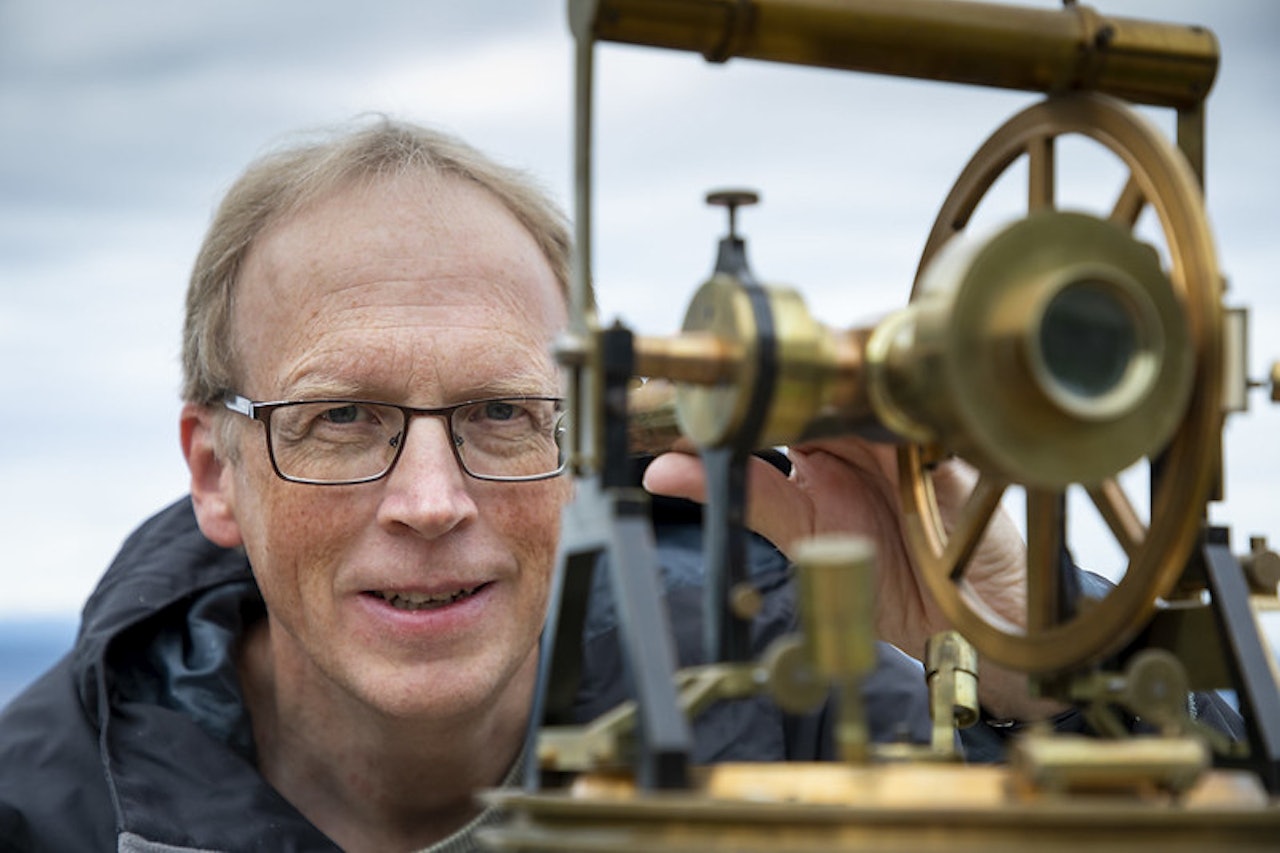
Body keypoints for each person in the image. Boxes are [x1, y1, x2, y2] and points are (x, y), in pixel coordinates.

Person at [0, 118, 1240, 852]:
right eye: (340, 419)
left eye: (499, 412)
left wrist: (1034, 663)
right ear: (216, 473)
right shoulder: (36, 802)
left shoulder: (776, 679)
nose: (430, 501)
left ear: (584, 429)